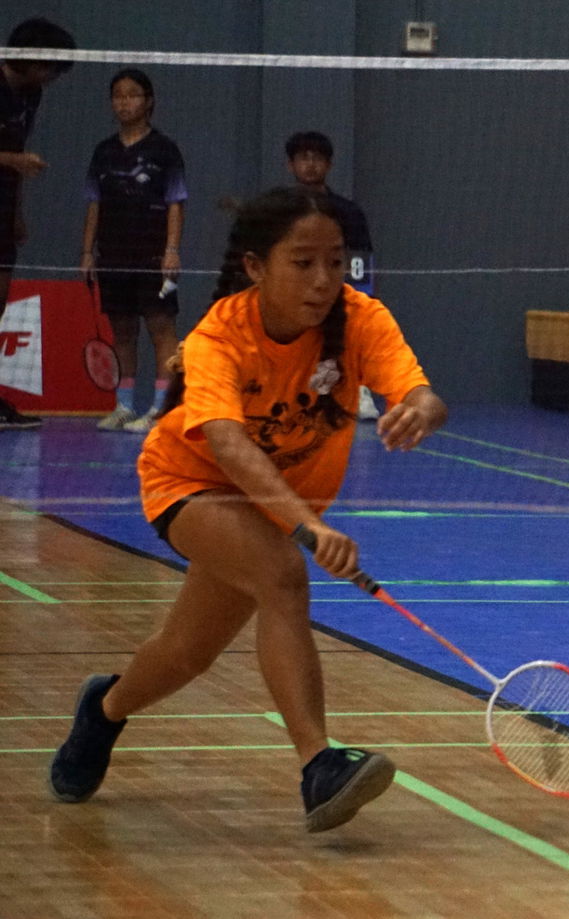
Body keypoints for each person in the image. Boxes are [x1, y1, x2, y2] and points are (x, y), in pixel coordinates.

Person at [47, 187, 447, 833]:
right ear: (257, 267)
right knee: (283, 575)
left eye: (334, 261)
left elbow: (421, 392)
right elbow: (229, 449)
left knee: (187, 652)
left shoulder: (360, 317)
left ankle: (106, 707)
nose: (323, 280)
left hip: (277, 502)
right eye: (303, 262)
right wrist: (307, 526)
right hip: (190, 483)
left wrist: (422, 410)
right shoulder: (218, 338)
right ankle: (319, 764)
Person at [80, 69, 187, 432]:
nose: (124, 102)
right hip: (113, 252)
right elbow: (94, 203)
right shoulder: (104, 151)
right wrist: (87, 252)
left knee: (161, 329)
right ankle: (124, 405)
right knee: (122, 332)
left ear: (149, 101)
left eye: (133, 94)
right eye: (118, 95)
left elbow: (176, 202)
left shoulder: (165, 149)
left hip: (152, 253)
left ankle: (160, 409)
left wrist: (172, 249)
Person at [0, 17, 75, 430]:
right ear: (33, 57)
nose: (54, 77)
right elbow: (15, 157)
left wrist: (17, 211)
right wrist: (14, 162)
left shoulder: (30, 94)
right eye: (52, 66)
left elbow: (18, 150)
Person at [286, 131, 378, 420]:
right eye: (303, 158)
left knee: (353, 329)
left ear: (329, 165)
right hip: (291, 292)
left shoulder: (348, 212)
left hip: (336, 291)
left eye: (318, 159)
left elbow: (360, 258)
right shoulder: (280, 210)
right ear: (291, 165)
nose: (311, 165)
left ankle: (359, 390)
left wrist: (360, 296)